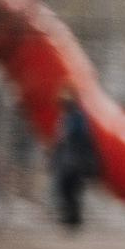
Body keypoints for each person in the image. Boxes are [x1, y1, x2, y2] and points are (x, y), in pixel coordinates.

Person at [50, 92, 98, 230]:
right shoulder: (65, 118)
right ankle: (70, 216)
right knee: (66, 187)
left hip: (76, 157)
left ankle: (74, 217)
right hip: (68, 157)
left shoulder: (78, 118)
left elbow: (82, 138)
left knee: (72, 188)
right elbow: (60, 139)